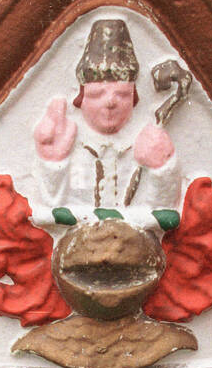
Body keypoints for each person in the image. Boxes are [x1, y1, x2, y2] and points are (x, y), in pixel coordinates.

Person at [34, 19, 180, 225]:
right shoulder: (73, 147)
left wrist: (162, 169)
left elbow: (163, 217)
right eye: (97, 94)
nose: (111, 102)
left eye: (122, 94)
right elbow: (48, 214)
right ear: (81, 99)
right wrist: (53, 164)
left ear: (134, 98)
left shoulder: (143, 145)